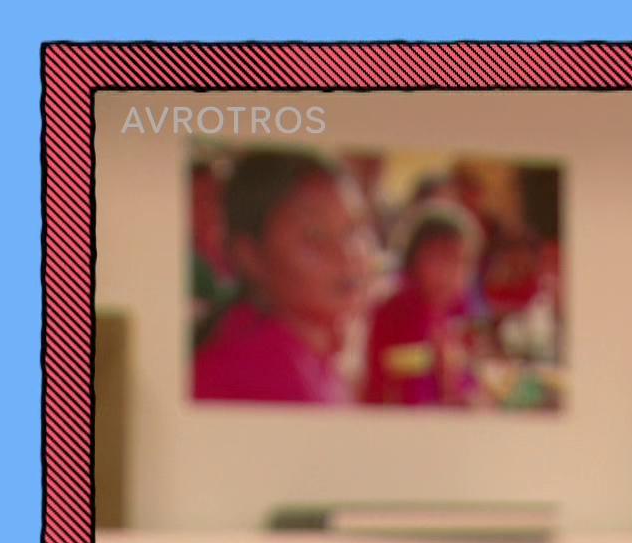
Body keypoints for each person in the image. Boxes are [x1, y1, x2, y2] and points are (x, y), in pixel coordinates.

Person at [193, 149, 374, 404]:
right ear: (249, 255)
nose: (347, 253)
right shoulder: (244, 374)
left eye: (353, 230)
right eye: (315, 236)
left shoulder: (310, 353)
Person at [363, 203, 482, 406]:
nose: (451, 273)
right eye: (440, 258)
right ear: (414, 258)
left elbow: (465, 380)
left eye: (461, 261)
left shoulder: (455, 310)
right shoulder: (396, 310)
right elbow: (391, 375)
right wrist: (434, 359)